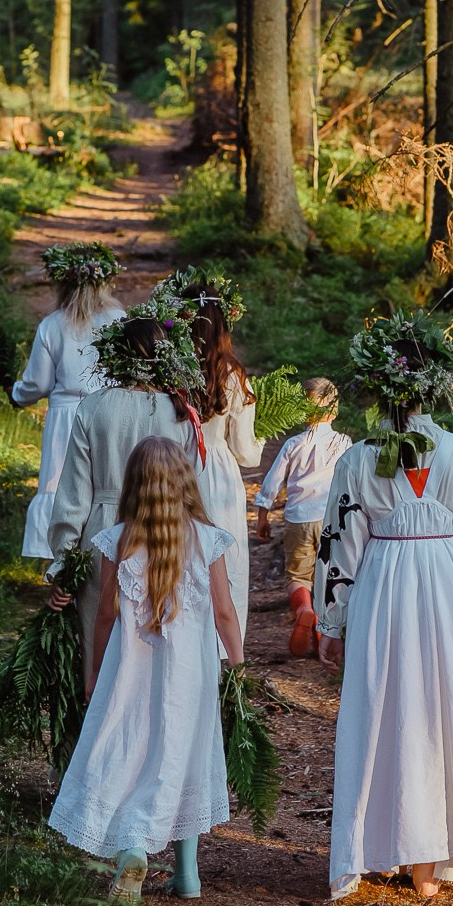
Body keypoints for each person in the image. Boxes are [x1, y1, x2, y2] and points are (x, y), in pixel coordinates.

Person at [313, 311, 453, 902]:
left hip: (389, 583)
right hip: (445, 582)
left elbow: (338, 546)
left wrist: (332, 619)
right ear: (433, 390)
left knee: (391, 708)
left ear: (376, 391)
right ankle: (425, 859)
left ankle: (398, 846)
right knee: (438, 708)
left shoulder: (359, 459)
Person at [48, 436, 244, 906]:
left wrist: (94, 671)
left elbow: (105, 615)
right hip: (189, 679)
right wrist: (238, 670)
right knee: (182, 756)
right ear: (185, 482)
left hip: (129, 674)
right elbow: (223, 613)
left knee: (129, 751)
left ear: (133, 484)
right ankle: (188, 875)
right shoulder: (207, 538)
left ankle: (133, 850)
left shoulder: (117, 540)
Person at [46, 307, 205, 674]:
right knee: (158, 644)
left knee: (98, 643)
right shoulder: (181, 413)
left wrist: (63, 564)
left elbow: (72, 496)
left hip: (103, 532)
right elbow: (193, 493)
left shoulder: (94, 407)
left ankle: (97, 717)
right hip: (165, 535)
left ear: (116, 356)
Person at [153, 269, 260, 644]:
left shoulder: (167, 369)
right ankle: (224, 646)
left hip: (171, 471)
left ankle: (178, 637)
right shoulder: (232, 375)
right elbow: (246, 453)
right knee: (223, 561)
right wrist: (258, 441)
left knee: (176, 555)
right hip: (217, 472)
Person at [11, 243, 124, 559]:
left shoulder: (53, 324)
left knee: (62, 485)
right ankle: (105, 554)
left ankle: (62, 562)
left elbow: (38, 383)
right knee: (106, 483)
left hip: (67, 418)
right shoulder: (120, 319)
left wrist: (17, 394)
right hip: (110, 412)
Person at [255, 377, 351, 657]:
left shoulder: (293, 444)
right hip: (331, 520)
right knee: (328, 573)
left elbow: (272, 482)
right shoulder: (344, 442)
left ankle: (304, 609)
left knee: (297, 575)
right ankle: (323, 628)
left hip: (298, 519)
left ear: (301, 411)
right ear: (334, 411)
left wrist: (263, 515)